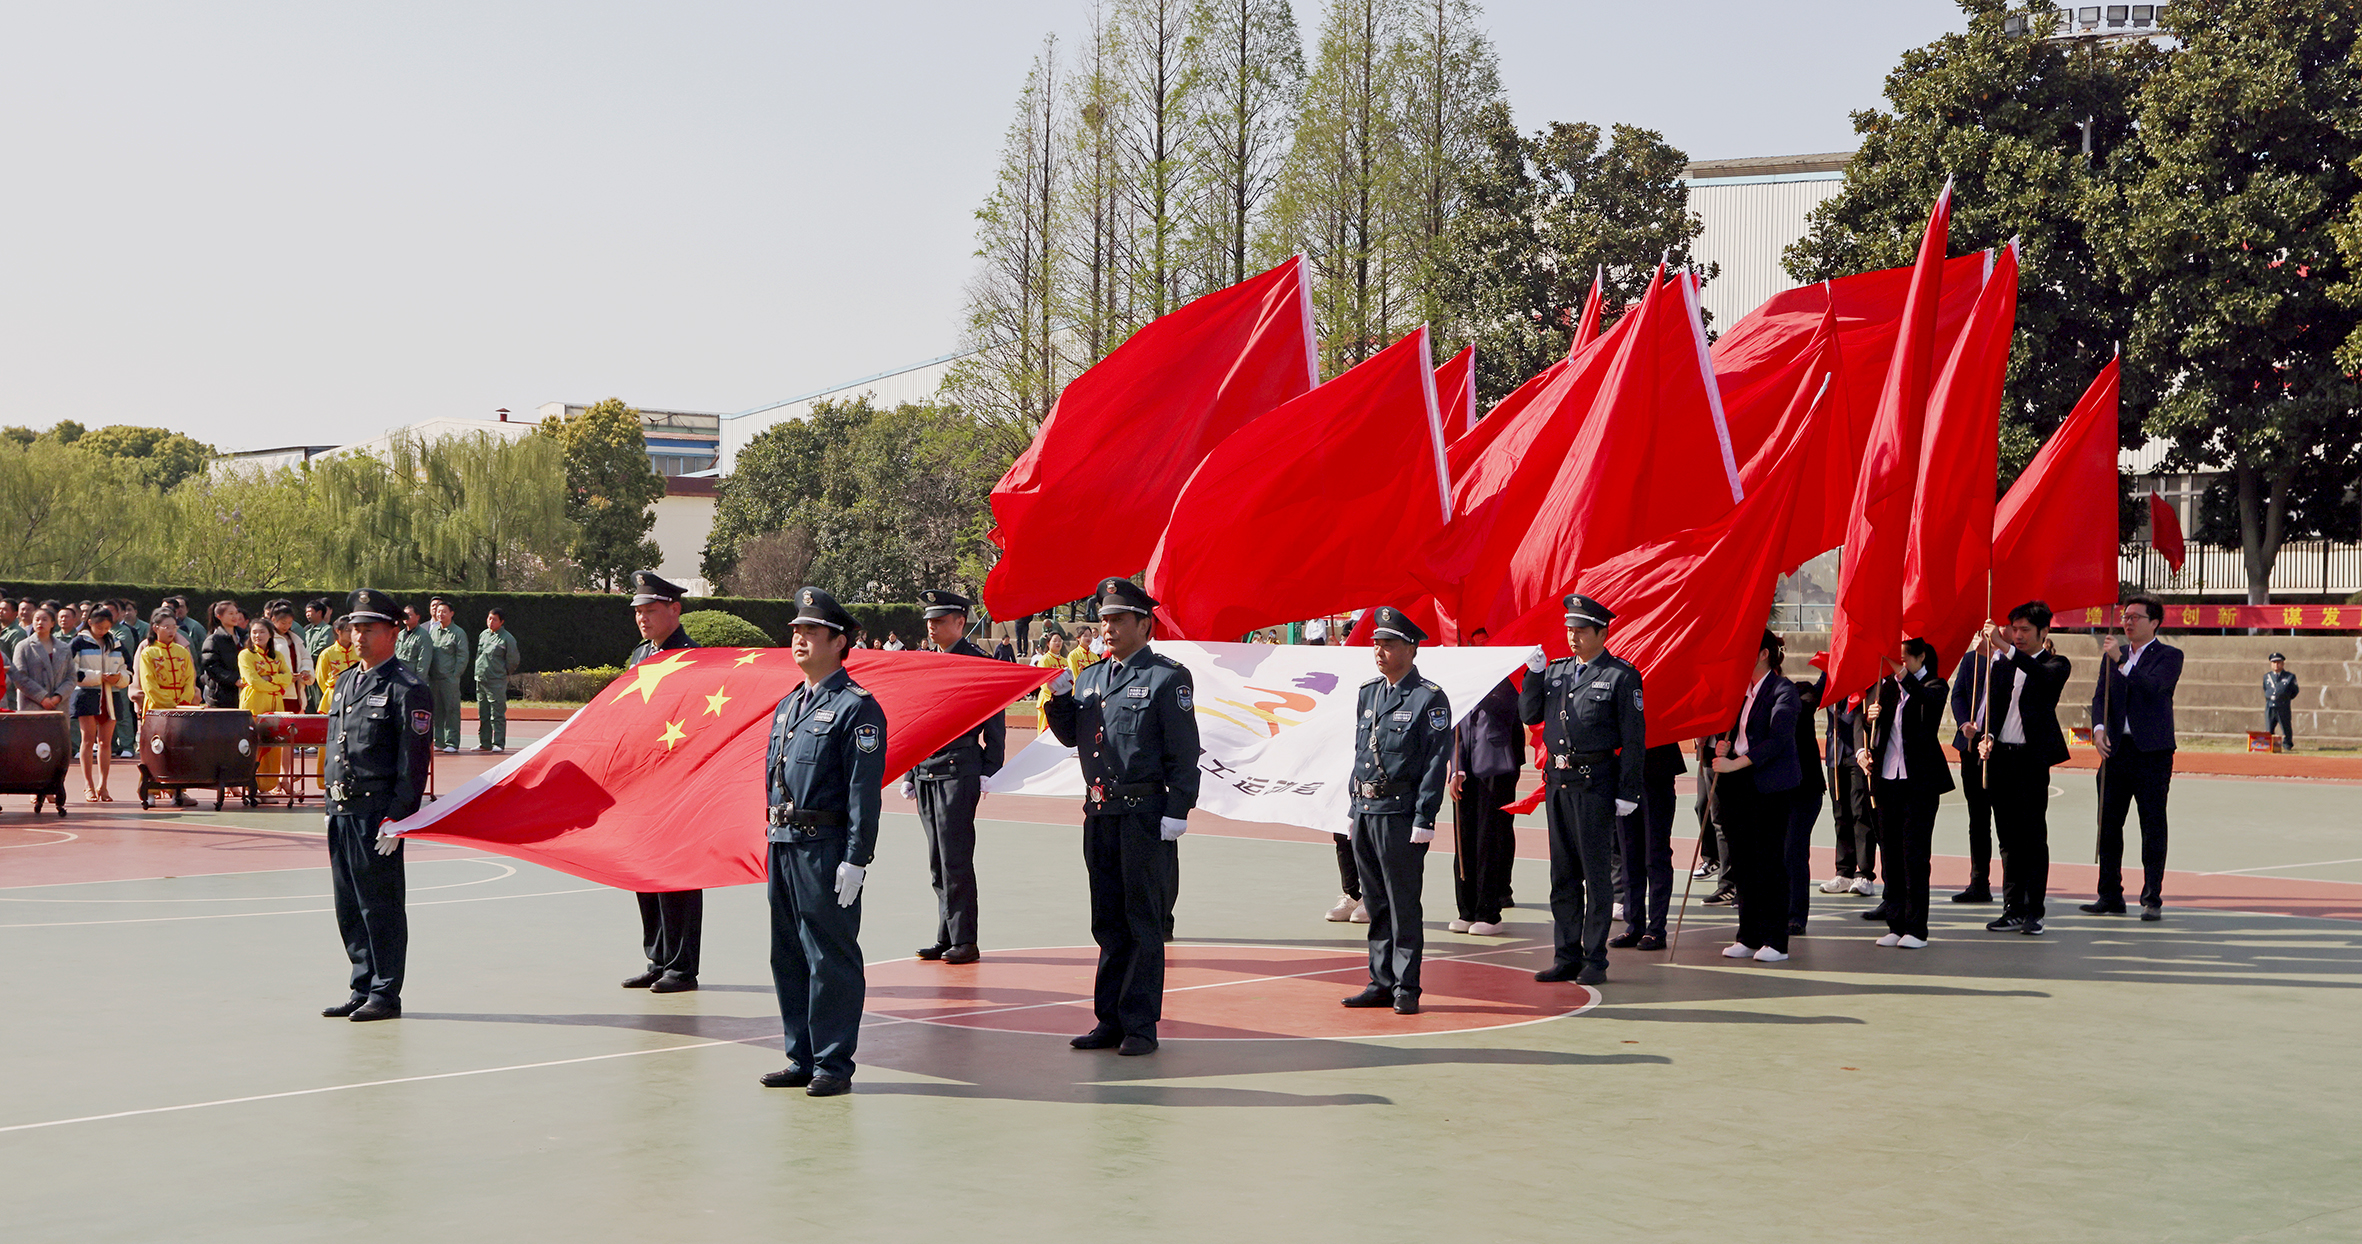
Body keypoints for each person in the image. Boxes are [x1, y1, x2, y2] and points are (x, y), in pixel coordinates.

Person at [1043, 578, 1199, 1056]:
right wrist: (1061, 698)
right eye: (1104, 619)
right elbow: (1072, 736)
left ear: (1144, 624)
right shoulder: (1090, 677)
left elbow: (1184, 752)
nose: (1107, 628)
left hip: (1143, 815)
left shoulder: (1167, 678)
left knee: (1143, 921)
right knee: (1107, 921)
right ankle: (1108, 1020)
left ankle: (1140, 1025)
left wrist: (1178, 809)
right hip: (1100, 812)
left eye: (1117, 619)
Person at [756, 587, 887, 1097]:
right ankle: (802, 1056)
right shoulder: (789, 705)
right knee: (787, 953)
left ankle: (833, 1062)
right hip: (784, 843)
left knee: (829, 956)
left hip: (825, 848)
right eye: (796, 630)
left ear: (839, 642)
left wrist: (857, 858)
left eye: (812, 631)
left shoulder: (857, 708)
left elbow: (862, 792)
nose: (800, 638)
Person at [318, 588, 434, 1022]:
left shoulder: (407, 688)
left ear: (393, 633)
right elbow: (337, 745)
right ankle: (362, 985)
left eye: (369, 629)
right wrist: (328, 801)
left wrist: (399, 818)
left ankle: (385, 992)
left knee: (380, 905)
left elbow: (413, 761)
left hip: (377, 814)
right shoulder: (346, 681)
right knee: (348, 905)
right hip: (342, 809)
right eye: (355, 628)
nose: (359, 637)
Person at [1518, 593, 1645, 986]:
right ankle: (1566, 955)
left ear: (1602, 633)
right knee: (1563, 875)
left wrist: (1628, 791)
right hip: (1558, 784)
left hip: (1595, 784)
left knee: (1596, 874)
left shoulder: (1620, 676)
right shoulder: (1556, 672)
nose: (1572, 637)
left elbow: (1634, 739)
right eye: (1569, 630)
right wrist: (1533, 675)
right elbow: (1529, 713)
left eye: (1581, 630)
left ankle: (1595, 958)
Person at [1339, 607, 1452, 1015]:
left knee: (1402, 903)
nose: (1379, 651)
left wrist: (1425, 816)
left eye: (1388, 644)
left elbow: (1436, 762)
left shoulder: (1428, 697)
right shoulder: (1369, 692)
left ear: (1411, 648)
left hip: (1401, 815)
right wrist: (1353, 805)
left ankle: (1407, 986)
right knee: (1375, 902)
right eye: (1377, 644)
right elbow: (1361, 753)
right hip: (1367, 810)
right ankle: (1381, 981)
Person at [904, 590, 1005, 964]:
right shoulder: (927, 662)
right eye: (929, 621)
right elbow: (917, 719)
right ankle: (946, 935)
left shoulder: (978, 662)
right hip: (927, 770)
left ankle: (965, 939)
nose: (932, 627)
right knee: (937, 859)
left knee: (955, 859)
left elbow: (995, 721)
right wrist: (910, 769)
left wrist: (989, 768)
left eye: (940, 620)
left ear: (961, 622)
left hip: (958, 770)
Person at [622, 571, 704, 993]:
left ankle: (682, 966)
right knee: (644, 871)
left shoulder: (693, 658)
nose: (642, 618)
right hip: (642, 781)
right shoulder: (640, 656)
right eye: (638, 611)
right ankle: (657, 958)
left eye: (650, 610)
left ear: (675, 609)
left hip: (678, 782)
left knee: (678, 873)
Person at [2086, 594, 2182, 921]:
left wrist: (2122, 662)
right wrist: (2098, 729)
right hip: (2116, 750)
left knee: (2152, 825)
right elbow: (2100, 696)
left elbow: (2153, 688)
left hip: (2152, 753)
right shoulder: (2114, 655)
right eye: (2125, 616)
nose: (2127, 622)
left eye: (2135, 617)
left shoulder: (2169, 656)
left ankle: (2151, 897)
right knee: (2108, 824)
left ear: (2154, 623)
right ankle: (2109, 895)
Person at [1977, 601, 2071, 936]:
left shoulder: (2055, 664)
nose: (2017, 635)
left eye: (2025, 630)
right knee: (2008, 838)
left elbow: (2041, 677)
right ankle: (2012, 908)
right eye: (2014, 629)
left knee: (2032, 836)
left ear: (2043, 632)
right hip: (2002, 757)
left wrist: (2003, 648)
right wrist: (1987, 736)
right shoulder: (2002, 666)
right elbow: (1995, 708)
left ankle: (2034, 910)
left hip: (2031, 761)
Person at [1855, 639, 1952, 949]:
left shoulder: (1935, 686)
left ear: (1920, 657)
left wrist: (1902, 675)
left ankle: (1916, 928)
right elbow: (1875, 730)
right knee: (1891, 855)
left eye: (1903, 658)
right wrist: (1871, 718)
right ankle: (1895, 924)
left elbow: (1925, 703)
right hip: (1887, 780)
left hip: (1919, 783)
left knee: (1915, 855)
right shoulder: (1888, 688)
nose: (1898, 664)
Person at [1712, 631, 1802, 964]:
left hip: (1768, 786)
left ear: (1763, 653)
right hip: (1737, 786)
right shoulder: (1740, 690)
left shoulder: (1783, 690)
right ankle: (1747, 936)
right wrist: (1723, 747)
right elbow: (1733, 730)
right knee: (1742, 862)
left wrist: (1736, 762)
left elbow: (1778, 740)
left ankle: (1775, 940)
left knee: (1769, 862)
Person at [1449, 637, 1521, 937]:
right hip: (1465, 770)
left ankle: (1488, 912)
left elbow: (1506, 713)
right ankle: (1466, 909)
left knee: (1490, 840)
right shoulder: (1463, 680)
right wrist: (1455, 767)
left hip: (1496, 767)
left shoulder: (1504, 682)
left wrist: (1482, 683)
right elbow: (1455, 729)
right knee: (1464, 840)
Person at [1818, 674, 1879, 900]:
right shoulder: (1830, 673)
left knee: (1861, 812)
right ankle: (1843, 871)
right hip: (1835, 750)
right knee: (1840, 813)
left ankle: (1864, 873)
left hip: (1858, 752)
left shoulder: (1865, 673)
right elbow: (1816, 695)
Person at [1948, 634, 1998, 903]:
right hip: (1970, 747)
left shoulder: (2008, 663)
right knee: (1977, 819)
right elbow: (1957, 695)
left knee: (2006, 822)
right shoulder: (1971, 660)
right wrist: (1963, 724)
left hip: (1999, 748)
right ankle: (1979, 882)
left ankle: (2017, 890)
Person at [136, 606, 202, 808]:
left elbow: (190, 679)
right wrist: (170, 704)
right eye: (167, 627)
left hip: (181, 706)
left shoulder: (182, 651)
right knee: (154, 750)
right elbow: (149, 685)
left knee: (180, 749)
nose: (172, 631)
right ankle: (150, 791)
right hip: (157, 708)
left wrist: (184, 700)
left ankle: (178, 791)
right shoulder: (148, 652)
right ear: (155, 628)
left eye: (174, 626)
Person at [1785, 664, 1829, 936]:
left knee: (1794, 851)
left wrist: (1831, 663)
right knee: (1779, 853)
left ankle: (1796, 915)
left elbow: (1818, 690)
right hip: (1777, 790)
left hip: (1805, 791)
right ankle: (1780, 909)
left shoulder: (1797, 701)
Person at [69, 606, 130, 802]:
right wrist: (97, 676)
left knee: (105, 742)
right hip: (87, 695)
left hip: (111, 696)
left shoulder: (116, 643)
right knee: (88, 740)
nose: (103, 631)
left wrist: (119, 678)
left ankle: (103, 785)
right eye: (99, 627)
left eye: (106, 627)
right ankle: (88, 785)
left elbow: (128, 669)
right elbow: (70, 670)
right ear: (90, 623)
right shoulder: (78, 642)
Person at [239, 617, 297, 794]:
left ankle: (267, 786)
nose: (258, 635)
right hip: (254, 702)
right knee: (253, 745)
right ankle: (251, 786)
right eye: (254, 632)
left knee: (273, 746)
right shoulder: (245, 655)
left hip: (276, 704)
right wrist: (277, 684)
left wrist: (271, 678)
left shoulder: (278, 656)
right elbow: (254, 682)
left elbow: (288, 677)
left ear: (270, 635)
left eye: (262, 632)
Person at [424, 599, 467, 754]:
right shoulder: (433, 631)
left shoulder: (458, 633)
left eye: (444, 611)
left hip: (449, 679)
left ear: (451, 614)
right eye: (438, 611)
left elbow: (462, 656)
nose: (440, 614)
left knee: (451, 710)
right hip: (434, 678)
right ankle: (439, 741)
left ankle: (452, 742)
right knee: (436, 711)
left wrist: (455, 675)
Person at [474, 607, 520, 752]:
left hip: (496, 680)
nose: (491, 622)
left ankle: (498, 743)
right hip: (481, 678)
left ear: (501, 622)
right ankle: (484, 742)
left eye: (494, 619)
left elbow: (513, 660)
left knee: (497, 713)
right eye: (489, 618)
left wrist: (503, 673)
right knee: (483, 713)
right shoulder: (483, 634)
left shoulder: (507, 638)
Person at [12, 606, 71, 717]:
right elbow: (19, 676)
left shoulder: (64, 648)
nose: (40, 622)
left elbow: (71, 676)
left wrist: (58, 697)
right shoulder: (23, 646)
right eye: (37, 619)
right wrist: (42, 697)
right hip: (31, 703)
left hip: (58, 705)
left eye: (44, 619)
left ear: (52, 623)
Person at [266, 600, 313, 715]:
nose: (286, 626)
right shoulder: (268, 639)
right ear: (273, 619)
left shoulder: (295, 639)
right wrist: (285, 677)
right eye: (283, 623)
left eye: (289, 623)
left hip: (295, 691)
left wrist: (305, 671)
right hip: (277, 690)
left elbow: (305, 658)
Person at [201, 601, 245, 709]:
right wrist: (234, 679)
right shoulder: (214, 640)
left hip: (245, 691)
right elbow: (211, 666)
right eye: (230, 613)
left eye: (236, 613)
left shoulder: (244, 636)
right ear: (219, 616)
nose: (235, 617)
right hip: (222, 695)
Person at [315, 617, 360, 712]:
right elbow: (321, 679)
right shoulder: (327, 653)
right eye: (348, 630)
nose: (352, 633)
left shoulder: (359, 651)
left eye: (354, 630)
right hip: (333, 696)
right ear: (338, 631)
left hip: (356, 696)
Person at [299, 599, 337, 711]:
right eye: (306, 612)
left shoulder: (327, 630)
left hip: (319, 670)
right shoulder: (307, 631)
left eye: (310, 611)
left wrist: (305, 659)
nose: (307, 614)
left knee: (319, 701)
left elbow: (323, 648)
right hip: (307, 672)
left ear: (319, 612)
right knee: (308, 703)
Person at [1032, 630, 1070, 732]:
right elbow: (1043, 683)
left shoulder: (1064, 661)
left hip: (1062, 702)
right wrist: (1053, 699)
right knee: (1045, 731)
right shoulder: (1044, 660)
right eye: (1054, 641)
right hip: (1048, 701)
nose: (1058, 643)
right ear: (1048, 643)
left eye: (1060, 640)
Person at [2263, 653, 2298, 751]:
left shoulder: (2289, 676)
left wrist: (2285, 698)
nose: (2276, 665)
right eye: (2274, 662)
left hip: (2283, 705)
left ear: (2282, 664)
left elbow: (2294, 691)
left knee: (2285, 727)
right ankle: (2269, 745)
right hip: (2270, 706)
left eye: (2278, 662)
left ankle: (2287, 745)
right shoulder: (2267, 676)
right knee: (2269, 727)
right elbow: (2265, 689)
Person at [395, 605, 430, 673]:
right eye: (405, 615)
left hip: (412, 675)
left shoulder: (423, 636)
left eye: (410, 615)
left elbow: (424, 662)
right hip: (399, 674)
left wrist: (419, 679)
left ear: (418, 617)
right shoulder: (400, 634)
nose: (406, 617)